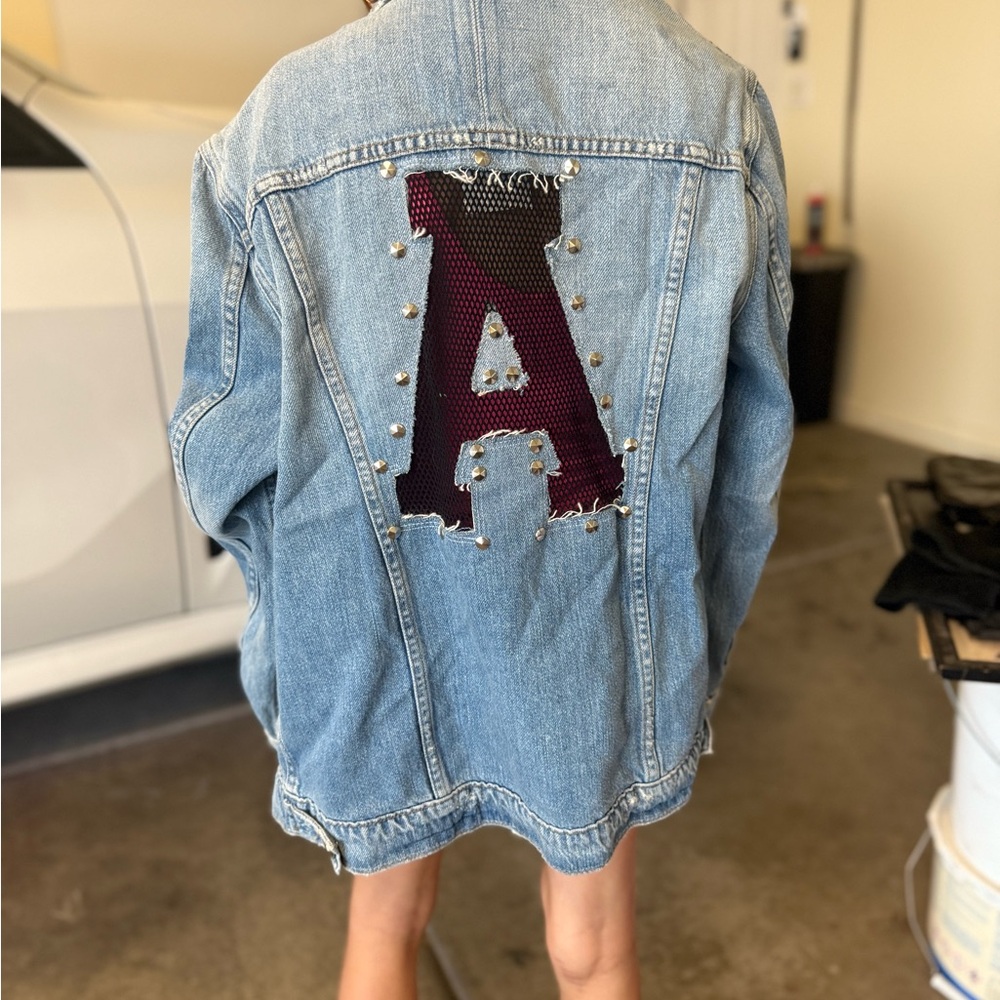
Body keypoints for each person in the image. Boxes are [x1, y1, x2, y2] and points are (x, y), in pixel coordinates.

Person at [168, 0, 793, 996]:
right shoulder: (711, 102)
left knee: (380, 927)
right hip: (598, 645)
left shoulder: (276, 123)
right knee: (593, 948)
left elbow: (225, 463)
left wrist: (307, 648)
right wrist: (680, 651)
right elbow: (750, 458)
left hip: (369, 648)